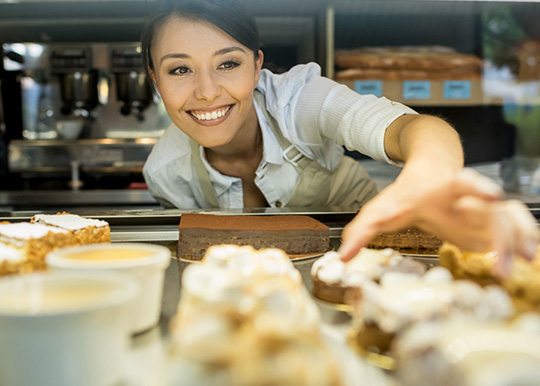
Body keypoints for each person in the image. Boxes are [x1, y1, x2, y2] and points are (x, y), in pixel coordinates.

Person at [140, 0, 539, 274]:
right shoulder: (166, 172)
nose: (208, 92)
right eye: (180, 70)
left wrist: (429, 179)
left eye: (228, 63)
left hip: (372, 255)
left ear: (257, 66)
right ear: (155, 78)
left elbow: (413, 130)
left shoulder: (300, 100)